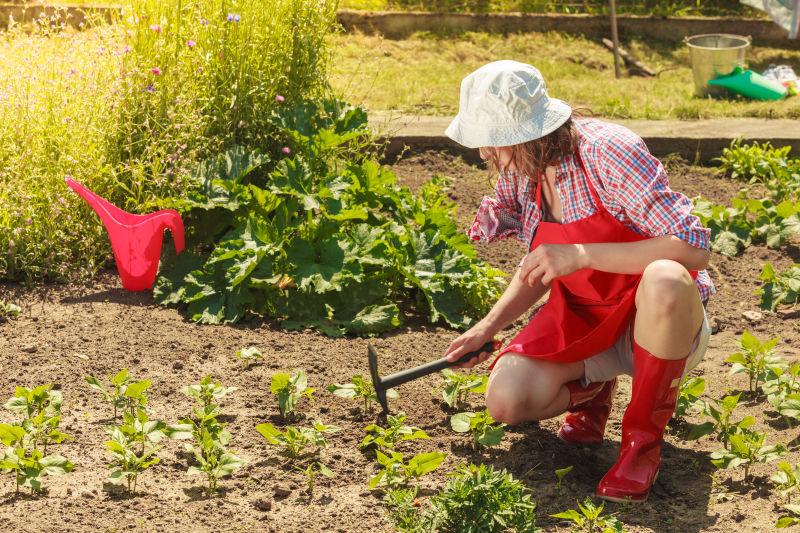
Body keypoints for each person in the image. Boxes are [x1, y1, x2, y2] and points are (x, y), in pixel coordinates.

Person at [442, 60, 714, 503]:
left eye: (490, 140)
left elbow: (692, 247)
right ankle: (593, 393)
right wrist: (486, 328)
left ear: (523, 135)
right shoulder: (522, 171)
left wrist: (583, 254)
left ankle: (641, 446)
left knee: (666, 277)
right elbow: (540, 267)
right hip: (586, 321)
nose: (484, 153)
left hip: (659, 324)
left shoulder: (608, 152)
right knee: (507, 400)